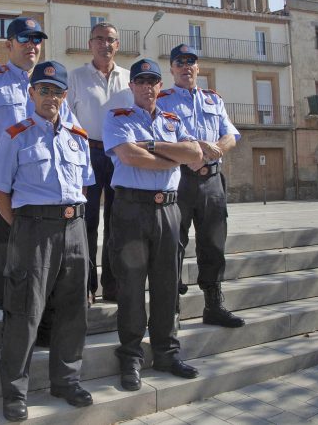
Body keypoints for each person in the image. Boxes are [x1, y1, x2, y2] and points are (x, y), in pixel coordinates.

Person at [0, 61, 94, 421]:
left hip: (74, 230)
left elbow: (83, 188)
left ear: (65, 96)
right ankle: (15, 393)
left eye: (57, 91)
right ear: (31, 94)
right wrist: (25, 227)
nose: (51, 97)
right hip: (33, 231)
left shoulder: (78, 136)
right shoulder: (15, 135)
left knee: (73, 310)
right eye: (43, 90)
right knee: (24, 314)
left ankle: (66, 380)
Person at [103, 58, 203, 391]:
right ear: (131, 86)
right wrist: (170, 156)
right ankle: (131, 357)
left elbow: (195, 154)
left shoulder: (174, 119)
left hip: (169, 211)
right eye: (141, 81)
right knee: (130, 287)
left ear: (161, 86)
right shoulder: (116, 117)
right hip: (131, 209)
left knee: (167, 284)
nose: (147, 87)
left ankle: (166, 352)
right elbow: (129, 157)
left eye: (153, 81)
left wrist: (150, 147)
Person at [0, 16, 66, 344]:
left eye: (36, 39)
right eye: (24, 38)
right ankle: (12, 323)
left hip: (41, 189)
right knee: (8, 259)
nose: (31, 45)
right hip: (4, 187)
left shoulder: (50, 85)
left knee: (43, 260)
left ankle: (45, 328)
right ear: (9, 44)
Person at [156, 44, 245, 328]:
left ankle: (214, 305)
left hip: (212, 181)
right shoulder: (163, 99)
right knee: (172, 243)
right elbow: (159, 138)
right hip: (178, 179)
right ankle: (171, 308)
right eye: (179, 62)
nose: (185, 67)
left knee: (213, 242)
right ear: (171, 69)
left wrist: (217, 148)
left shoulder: (213, 99)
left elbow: (230, 133)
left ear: (197, 67)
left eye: (190, 62)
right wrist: (193, 151)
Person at [67, 22, 132, 303]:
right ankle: (86, 286)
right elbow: (67, 121)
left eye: (111, 40)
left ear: (117, 45)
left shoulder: (130, 79)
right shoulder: (76, 77)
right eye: (99, 39)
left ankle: (113, 284)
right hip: (87, 153)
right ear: (90, 44)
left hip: (121, 155)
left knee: (117, 221)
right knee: (87, 222)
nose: (105, 44)